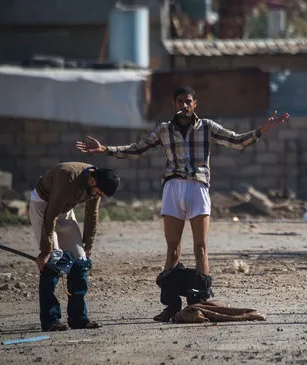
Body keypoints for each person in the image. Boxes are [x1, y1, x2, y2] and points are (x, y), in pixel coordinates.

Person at [75, 86, 289, 322]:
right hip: (173, 187)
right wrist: (106, 149)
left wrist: (263, 129)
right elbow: (138, 148)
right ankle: (171, 305)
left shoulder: (207, 126)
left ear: (195, 104)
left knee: (201, 247)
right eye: (180, 101)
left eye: (188, 101)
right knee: (173, 248)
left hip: (198, 186)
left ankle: (201, 301)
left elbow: (237, 141)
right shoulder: (164, 130)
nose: (184, 105)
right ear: (174, 104)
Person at [29, 162, 120, 331]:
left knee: (80, 261)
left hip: (64, 210)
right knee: (54, 260)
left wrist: (88, 245)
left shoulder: (96, 184)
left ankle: (78, 319)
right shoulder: (67, 177)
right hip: (43, 207)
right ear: (93, 181)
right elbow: (51, 214)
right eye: (98, 193)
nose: (96, 196)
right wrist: (45, 251)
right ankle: (50, 320)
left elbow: (92, 214)